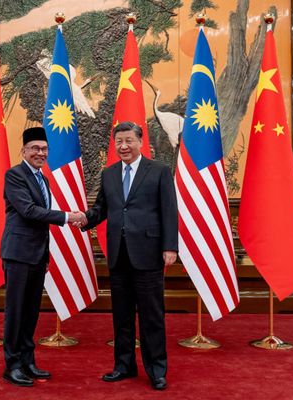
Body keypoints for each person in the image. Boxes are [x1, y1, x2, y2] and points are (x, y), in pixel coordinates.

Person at [80, 121, 178, 390]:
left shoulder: (159, 171)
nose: (123, 146)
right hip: (118, 255)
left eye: (128, 141)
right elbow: (101, 209)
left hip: (148, 253)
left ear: (140, 142)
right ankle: (123, 365)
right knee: (121, 315)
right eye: (119, 142)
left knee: (151, 316)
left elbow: (169, 210)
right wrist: (83, 219)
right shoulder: (109, 174)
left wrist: (170, 247)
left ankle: (156, 370)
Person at [0, 126, 83, 387]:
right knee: (16, 312)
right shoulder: (15, 175)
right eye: (35, 148)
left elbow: (41, 224)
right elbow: (29, 211)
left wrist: (45, 256)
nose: (40, 153)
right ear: (24, 150)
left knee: (31, 312)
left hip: (36, 256)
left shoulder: (43, 179)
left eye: (44, 149)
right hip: (18, 254)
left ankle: (27, 361)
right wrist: (68, 217)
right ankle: (12, 366)